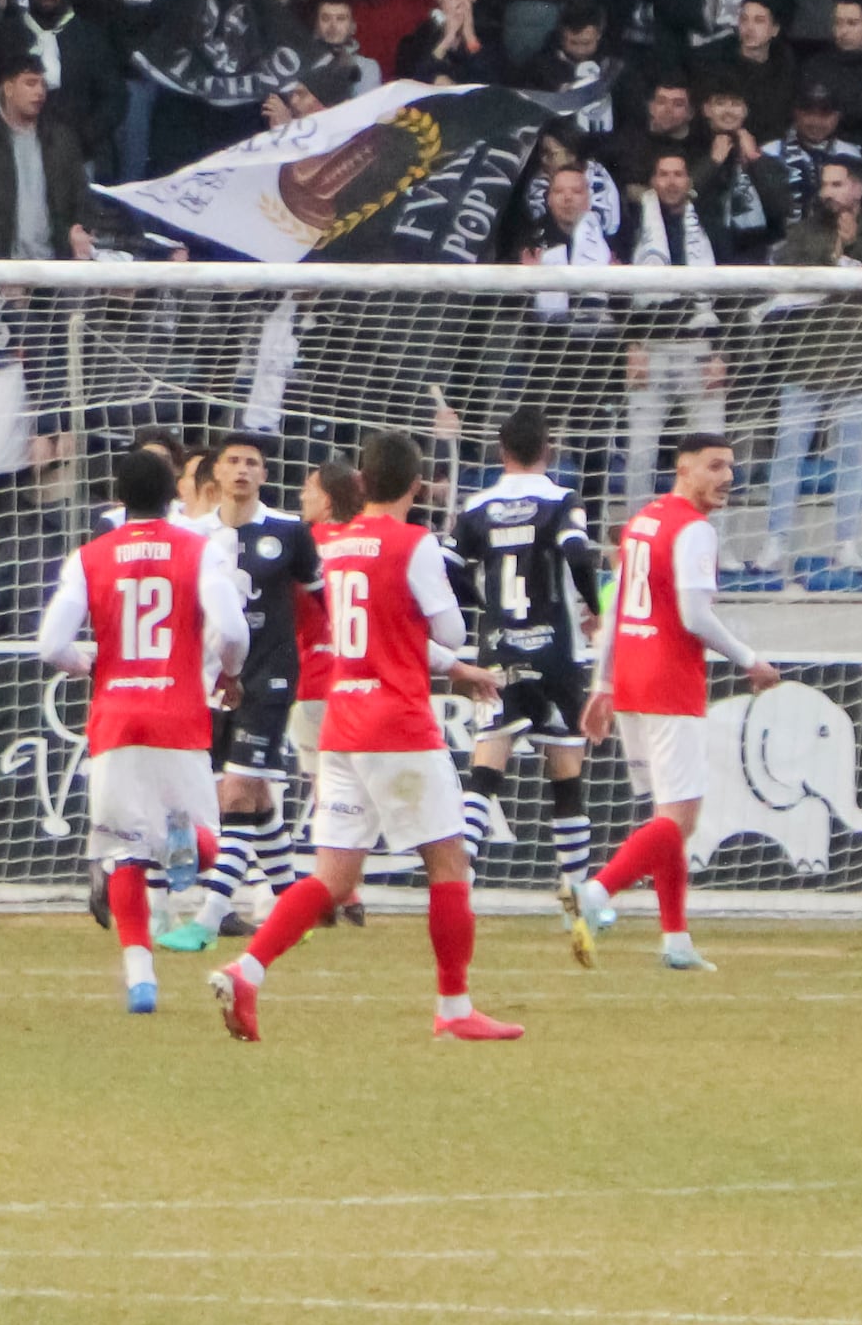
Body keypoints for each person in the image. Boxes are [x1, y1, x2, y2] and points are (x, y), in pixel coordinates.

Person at [215, 431, 516, 1042]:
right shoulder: (413, 542)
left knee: (331, 877)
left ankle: (246, 970)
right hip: (397, 724)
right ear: (415, 484)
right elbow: (453, 632)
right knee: (449, 861)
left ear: (358, 484)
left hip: (342, 725)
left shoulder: (333, 543)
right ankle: (455, 1009)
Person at [33, 440, 247, 1012]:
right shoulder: (197, 550)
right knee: (206, 846)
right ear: (174, 490)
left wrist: (89, 663)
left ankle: (140, 979)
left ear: (120, 497)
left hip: (117, 717)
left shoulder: (90, 555)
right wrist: (229, 673)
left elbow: (51, 644)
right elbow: (231, 626)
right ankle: (177, 846)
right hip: (178, 714)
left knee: (121, 850)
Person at [564, 431, 782, 978]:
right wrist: (749, 659)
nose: (727, 476)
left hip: (633, 680)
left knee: (666, 820)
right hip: (668, 681)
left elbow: (613, 613)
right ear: (683, 470)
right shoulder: (693, 529)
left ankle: (676, 938)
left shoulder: (641, 522)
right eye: (714, 466)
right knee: (680, 817)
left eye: (731, 466)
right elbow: (693, 615)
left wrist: (603, 682)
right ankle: (598, 890)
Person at [446, 404, 602, 918]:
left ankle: (461, 877)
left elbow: (447, 567)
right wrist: (594, 609)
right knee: (566, 773)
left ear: (501, 451)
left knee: (487, 765)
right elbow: (579, 554)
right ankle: (575, 895)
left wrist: (481, 601)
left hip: (499, 651)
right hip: (557, 652)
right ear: (548, 449)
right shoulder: (561, 500)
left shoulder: (477, 506)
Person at [196, 431, 317, 939]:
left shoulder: (289, 532)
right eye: (233, 462)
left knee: (238, 793)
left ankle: (208, 916)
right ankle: (296, 908)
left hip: (272, 676)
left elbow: (324, 599)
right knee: (257, 793)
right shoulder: (194, 534)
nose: (243, 470)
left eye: (252, 463)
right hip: (214, 678)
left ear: (264, 475)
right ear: (217, 474)